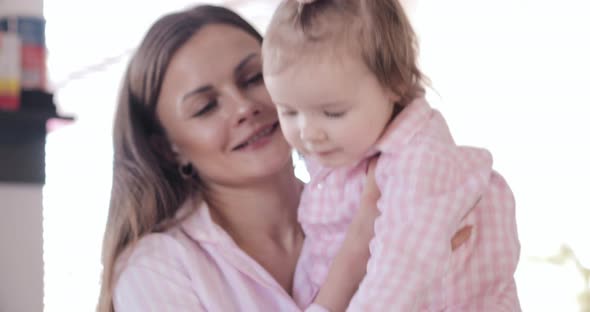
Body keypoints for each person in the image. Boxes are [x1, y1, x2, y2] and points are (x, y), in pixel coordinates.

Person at [97, 5, 472, 312]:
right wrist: (354, 257)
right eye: (207, 107)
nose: (244, 107)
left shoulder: (399, 199)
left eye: (253, 78)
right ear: (168, 147)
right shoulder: (156, 270)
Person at [262, 0, 521, 311]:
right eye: (289, 111)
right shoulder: (345, 145)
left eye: (332, 112)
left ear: (394, 84)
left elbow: (402, 270)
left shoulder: (419, 160)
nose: (307, 133)